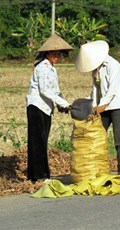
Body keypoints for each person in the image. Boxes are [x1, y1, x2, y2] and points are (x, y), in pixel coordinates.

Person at [75, 40, 120, 174]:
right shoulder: (95, 70)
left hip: (118, 106)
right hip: (102, 107)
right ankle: (97, 168)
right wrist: (92, 105)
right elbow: (95, 90)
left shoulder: (113, 65)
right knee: (98, 137)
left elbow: (113, 89)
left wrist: (102, 105)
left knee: (119, 140)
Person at [26, 33, 73, 182]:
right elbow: (45, 90)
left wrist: (62, 102)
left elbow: (56, 90)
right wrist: (61, 102)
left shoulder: (52, 68)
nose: (57, 56)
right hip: (37, 106)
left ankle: (39, 174)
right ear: (47, 53)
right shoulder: (43, 67)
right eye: (54, 53)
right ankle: (39, 175)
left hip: (45, 107)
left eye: (59, 54)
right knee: (38, 141)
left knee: (42, 141)